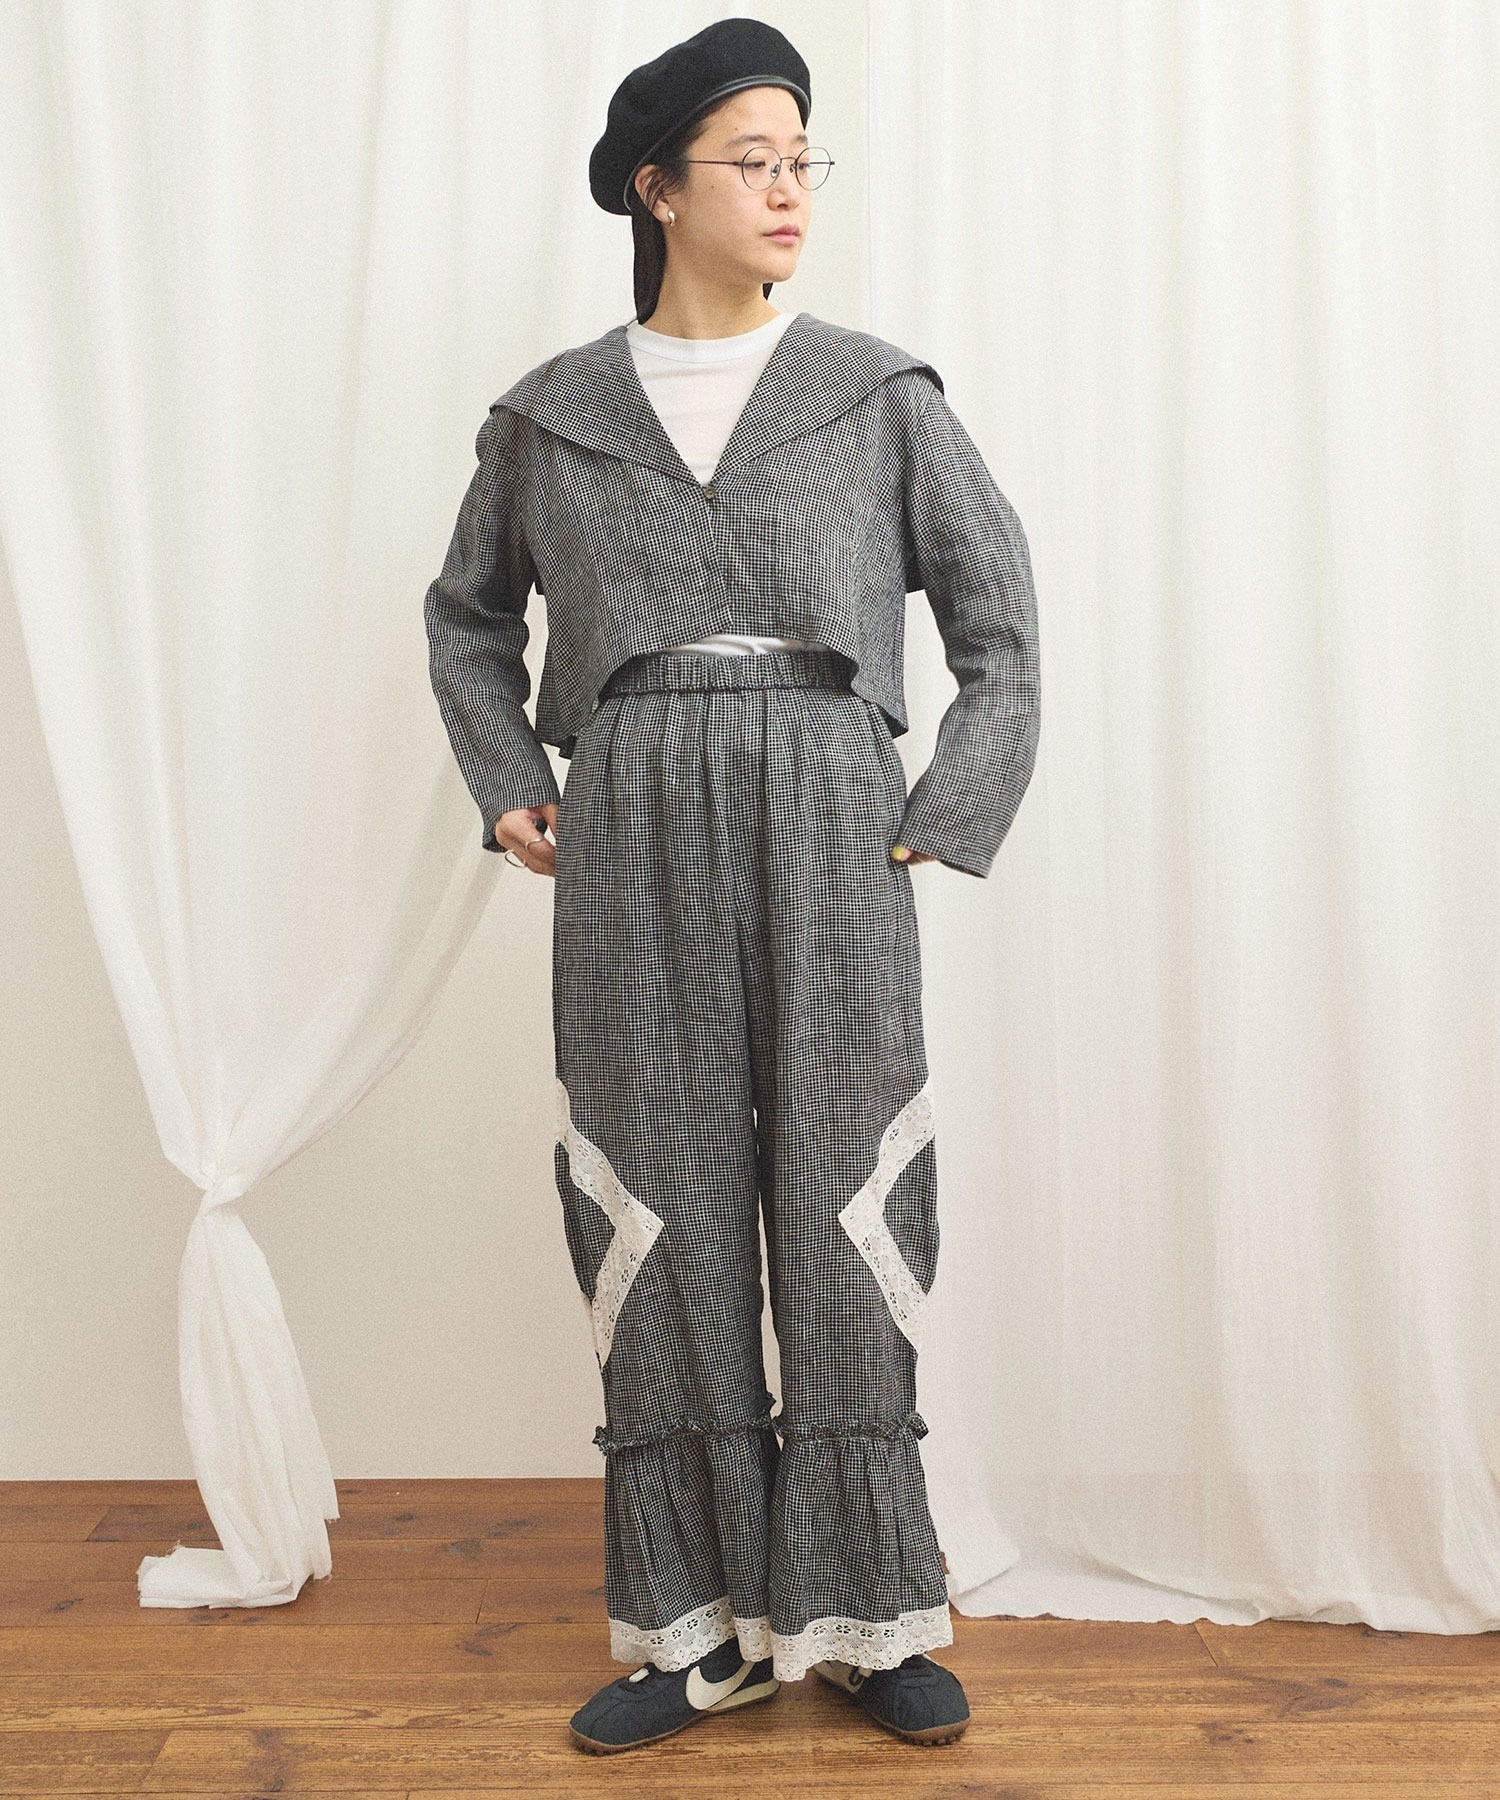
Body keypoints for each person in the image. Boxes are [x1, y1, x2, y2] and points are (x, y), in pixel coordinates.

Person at [424, 16, 1040, 1756]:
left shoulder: (878, 394)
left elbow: (998, 621)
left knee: (846, 1191)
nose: (788, 190)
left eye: (801, 161)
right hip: (631, 821)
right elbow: (467, 618)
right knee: (660, 1199)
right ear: (656, 187)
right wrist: (508, 780)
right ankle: (695, 1629)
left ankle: (862, 1613)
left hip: (835, 812)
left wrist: (951, 801)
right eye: (752, 161)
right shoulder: (551, 417)